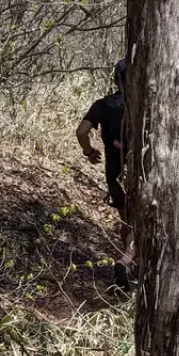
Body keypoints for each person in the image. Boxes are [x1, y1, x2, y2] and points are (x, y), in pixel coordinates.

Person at [76, 59, 134, 288]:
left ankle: (128, 262)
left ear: (116, 80)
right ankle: (127, 261)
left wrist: (89, 151)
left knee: (127, 219)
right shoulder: (148, 104)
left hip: (115, 172)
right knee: (142, 221)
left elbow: (81, 132)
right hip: (143, 170)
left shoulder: (103, 105)